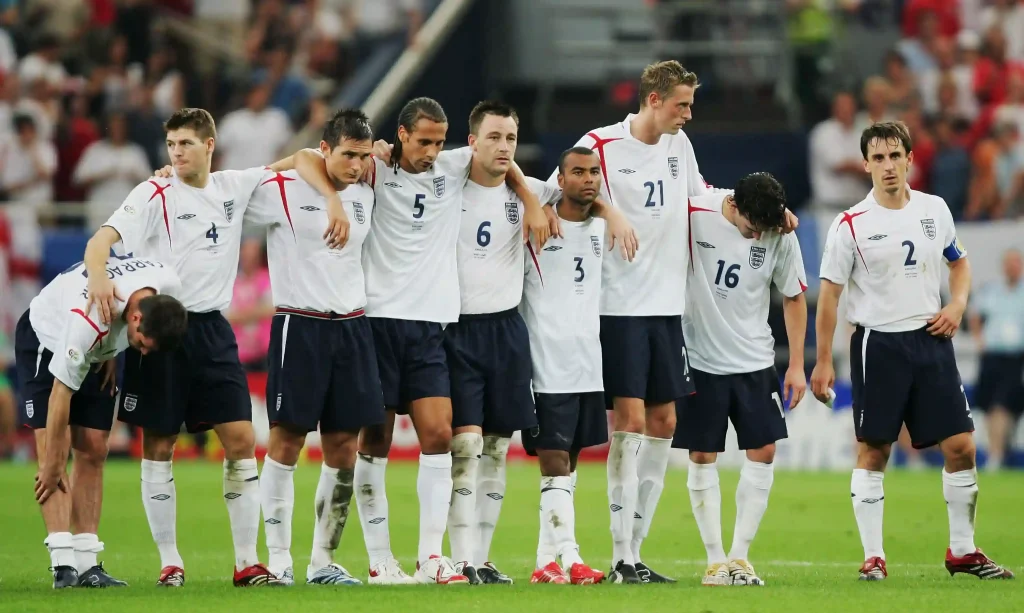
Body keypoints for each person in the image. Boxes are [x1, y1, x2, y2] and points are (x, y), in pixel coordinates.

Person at [290, 97, 550, 584]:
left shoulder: (452, 167)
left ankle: (431, 557)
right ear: (401, 136)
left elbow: (503, 160)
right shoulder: (374, 168)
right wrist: (330, 195)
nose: (432, 151)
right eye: (423, 141)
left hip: (431, 326)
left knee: (438, 436)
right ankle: (379, 558)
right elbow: (304, 158)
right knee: (378, 442)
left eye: (439, 141)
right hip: (379, 323)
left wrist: (532, 200)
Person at [83, 108, 346, 587]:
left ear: (209, 144)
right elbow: (101, 240)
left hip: (212, 330)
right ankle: (170, 562)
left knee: (242, 441)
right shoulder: (154, 191)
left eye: (186, 143)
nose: (177, 153)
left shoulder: (234, 186)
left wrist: (332, 199)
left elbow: (306, 157)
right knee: (158, 445)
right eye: (171, 145)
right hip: (162, 330)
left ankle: (247, 561)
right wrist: (99, 275)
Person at [810, 120, 1014, 581]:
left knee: (962, 446)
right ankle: (873, 556)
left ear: (909, 159)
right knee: (875, 451)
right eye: (877, 158)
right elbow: (829, 295)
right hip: (878, 344)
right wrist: (823, 359)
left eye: (894, 155)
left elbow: (958, 264)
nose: (887, 165)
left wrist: (958, 305)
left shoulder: (934, 209)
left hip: (931, 340)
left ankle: (962, 550)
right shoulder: (850, 225)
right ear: (865, 164)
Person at [553, 60, 731, 584]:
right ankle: (620, 554)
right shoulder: (601, 145)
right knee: (627, 423)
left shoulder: (679, 146)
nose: (688, 115)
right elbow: (561, 194)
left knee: (664, 424)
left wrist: (744, 206)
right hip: (618, 305)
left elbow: (700, 192)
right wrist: (610, 211)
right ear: (653, 99)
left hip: (665, 306)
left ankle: (636, 549)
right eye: (682, 104)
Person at [254, 109, 380, 586]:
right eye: (347, 154)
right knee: (286, 441)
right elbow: (234, 185)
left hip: (352, 326)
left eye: (363, 155)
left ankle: (323, 560)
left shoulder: (367, 191)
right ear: (326, 150)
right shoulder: (281, 190)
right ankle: (280, 560)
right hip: (299, 325)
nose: (356, 164)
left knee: (345, 446)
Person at [14, 255, 186, 589]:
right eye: (141, 345)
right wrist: (51, 465)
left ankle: (88, 564)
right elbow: (60, 394)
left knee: (94, 447)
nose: (143, 353)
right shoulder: (90, 320)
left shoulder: (167, 284)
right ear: (135, 318)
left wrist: (110, 351)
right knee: (55, 444)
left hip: (96, 348)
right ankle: (63, 563)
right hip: (46, 338)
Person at [674, 172, 808, 587]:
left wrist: (797, 364)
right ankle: (714, 560)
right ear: (734, 206)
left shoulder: (779, 230)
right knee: (701, 455)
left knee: (764, 450)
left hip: (754, 359)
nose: (756, 238)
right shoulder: (694, 212)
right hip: (701, 359)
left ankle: (740, 556)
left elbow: (794, 296)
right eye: (751, 228)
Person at [521, 146, 610, 586]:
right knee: (553, 461)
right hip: (545, 363)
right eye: (577, 172)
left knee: (569, 465)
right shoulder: (533, 225)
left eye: (594, 171)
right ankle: (572, 557)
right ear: (560, 178)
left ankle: (544, 563)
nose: (588, 179)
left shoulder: (602, 229)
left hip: (586, 364)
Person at [969, 248, 1024, 470]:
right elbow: (974, 314)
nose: (1012, 267)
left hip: (1015, 356)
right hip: (992, 355)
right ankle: (996, 452)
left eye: (1016, 263)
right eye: (1008, 263)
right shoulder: (992, 290)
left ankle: (998, 453)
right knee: (992, 406)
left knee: (1004, 405)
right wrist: (979, 339)